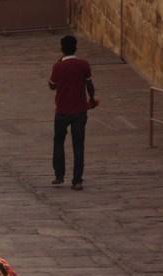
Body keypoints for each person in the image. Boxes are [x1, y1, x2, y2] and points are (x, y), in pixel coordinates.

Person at [49, 35, 98, 191]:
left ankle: (59, 175)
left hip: (62, 111)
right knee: (78, 146)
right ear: (76, 47)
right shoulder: (83, 65)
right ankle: (77, 180)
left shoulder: (58, 67)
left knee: (58, 143)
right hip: (79, 111)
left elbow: (52, 85)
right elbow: (90, 85)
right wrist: (92, 99)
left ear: (62, 48)